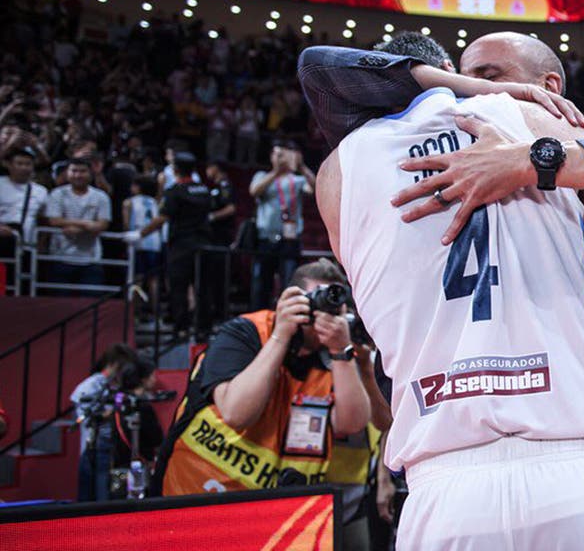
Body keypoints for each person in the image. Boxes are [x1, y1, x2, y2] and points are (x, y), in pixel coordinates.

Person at [300, 32, 584, 547]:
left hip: (442, 483)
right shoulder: (541, 123)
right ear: (439, 74)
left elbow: (319, 66)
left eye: (490, 77)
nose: (474, 91)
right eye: (464, 78)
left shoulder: (336, 174)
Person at [152, 259, 371, 495]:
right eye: (314, 302)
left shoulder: (336, 356)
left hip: (272, 514)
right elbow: (236, 413)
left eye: (331, 308)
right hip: (195, 497)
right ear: (289, 300)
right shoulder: (245, 332)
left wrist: (341, 351)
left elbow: (352, 424)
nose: (322, 315)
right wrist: (281, 335)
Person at [125, 152, 212, 338]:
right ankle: (203, 328)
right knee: (202, 287)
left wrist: (140, 233)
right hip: (204, 245)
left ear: (175, 169)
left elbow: (162, 218)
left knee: (179, 286)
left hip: (181, 246)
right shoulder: (204, 190)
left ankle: (181, 327)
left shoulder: (174, 192)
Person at [249, 139, 315, 310]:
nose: (280, 159)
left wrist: (301, 167)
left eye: (283, 155)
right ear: (271, 156)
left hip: (290, 240)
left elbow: (314, 188)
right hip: (266, 239)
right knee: (261, 284)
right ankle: (260, 319)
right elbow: (254, 191)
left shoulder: (298, 180)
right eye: (277, 155)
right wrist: (276, 173)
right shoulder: (262, 176)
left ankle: (287, 320)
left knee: (289, 284)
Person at [70, 343, 138, 501]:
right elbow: (82, 409)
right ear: (114, 364)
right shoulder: (92, 385)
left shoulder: (115, 387)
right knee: (97, 493)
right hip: (94, 447)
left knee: (110, 491)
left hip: (113, 448)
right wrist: (107, 414)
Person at [43, 157, 112, 293]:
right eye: (74, 171)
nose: (78, 175)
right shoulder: (57, 194)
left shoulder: (101, 196)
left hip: (91, 259)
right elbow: (54, 220)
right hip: (60, 256)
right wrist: (86, 224)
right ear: (67, 173)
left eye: (82, 171)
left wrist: (79, 229)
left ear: (90, 174)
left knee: (90, 303)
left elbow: (103, 224)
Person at [0, 145, 48, 292]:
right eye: (19, 163)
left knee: (22, 288)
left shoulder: (41, 191)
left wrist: (41, 244)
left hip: (26, 246)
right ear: (9, 165)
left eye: (28, 164)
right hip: (1, 242)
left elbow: (44, 220)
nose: (24, 168)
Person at [123, 175, 163, 313]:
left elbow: (127, 224)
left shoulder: (129, 202)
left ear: (137, 187)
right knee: (153, 279)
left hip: (137, 241)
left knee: (137, 278)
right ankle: (156, 313)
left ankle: (134, 312)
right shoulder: (155, 202)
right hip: (155, 242)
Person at [205, 161, 237, 324]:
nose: (207, 171)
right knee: (213, 278)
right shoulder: (215, 186)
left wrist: (212, 217)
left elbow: (231, 208)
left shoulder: (225, 185)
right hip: (213, 238)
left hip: (221, 239)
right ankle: (214, 312)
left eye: (209, 167)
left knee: (220, 278)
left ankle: (221, 313)